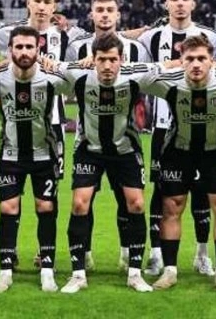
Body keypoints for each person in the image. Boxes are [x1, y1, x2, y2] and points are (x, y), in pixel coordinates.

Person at [0, 0, 86, 268]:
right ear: (28, 3)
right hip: (15, 126)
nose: (42, 7)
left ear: (54, 7)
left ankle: (47, 253)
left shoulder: (67, 35)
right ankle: (10, 252)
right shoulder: (9, 32)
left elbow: (91, 53)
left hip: (52, 128)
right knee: (11, 198)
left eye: (47, 2)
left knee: (47, 198)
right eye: (37, 1)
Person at [56, 33, 164, 293]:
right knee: (79, 204)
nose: (107, 66)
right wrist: (1, 64)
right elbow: (40, 63)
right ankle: (78, 274)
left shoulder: (136, 75)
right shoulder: (78, 74)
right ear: (93, 59)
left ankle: (135, 273)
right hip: (89, 149)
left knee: (136, 204)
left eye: (112, 60)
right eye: (102, 59)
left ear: (121, 59)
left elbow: (171, 65)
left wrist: (215, 65)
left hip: (126, 150)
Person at [144, 35, 216, 291]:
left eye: (202, 58)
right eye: (190, 59)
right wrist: (162, 65)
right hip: (178, 152)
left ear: (212, 61)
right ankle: (170, 271)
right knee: (172, 208)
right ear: (181, 61)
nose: (196, 64)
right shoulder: (168, 82)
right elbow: (133, 76)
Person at [137, 0, 216, 277]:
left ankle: (202, 254)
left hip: (204, 125)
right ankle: (156, 254)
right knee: (161, 190)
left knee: (202, 190)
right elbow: (140, 66)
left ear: (193, 3)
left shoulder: (211, 38)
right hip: (163, 128)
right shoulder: (151, 37)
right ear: (166, 4)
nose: (179, 3)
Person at [64, 0, 152, 270]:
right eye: (99, 10)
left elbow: (149, 75)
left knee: (127, 199)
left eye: (109, 10)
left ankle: (127, 254)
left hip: (125, 137)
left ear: (118, 14)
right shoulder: (77, 47)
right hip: (88, 138)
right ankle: (85, 255)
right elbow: (66, 79)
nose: (104, 15)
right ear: (91, 14)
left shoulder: (136, 48)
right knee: (83, 201)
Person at [0, 26, 71, 293]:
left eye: (29, 47)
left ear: (38, 49)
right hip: (9, 155)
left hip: (44, 155)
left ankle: (47, 270)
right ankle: (5, 272)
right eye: (19, 47)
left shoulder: (51, 78)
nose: (24, 52)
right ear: (10, 50)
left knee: (45, 208)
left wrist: (61, 64)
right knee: (8, 209)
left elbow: (82, 75)